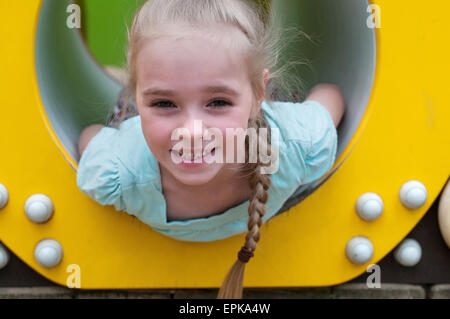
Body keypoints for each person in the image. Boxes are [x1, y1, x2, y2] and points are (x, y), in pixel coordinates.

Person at [77, 0, 345, 299]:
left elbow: (329, 95)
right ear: (138, 99)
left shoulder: (296, 145)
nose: (192, 132)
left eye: (218, 102)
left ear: (259, 93)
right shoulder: (122, 168)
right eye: (164, 103)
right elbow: (94, 140)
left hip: (265, 115)